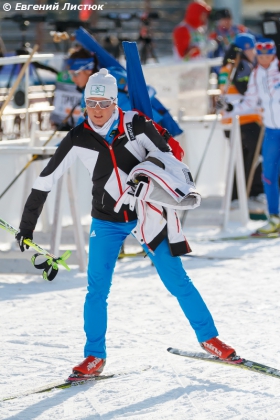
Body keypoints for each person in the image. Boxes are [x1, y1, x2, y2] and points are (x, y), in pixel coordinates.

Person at [15, 68, 236, 379]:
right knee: (96, 289)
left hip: (145, 214)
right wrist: (27, 227)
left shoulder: (136, 124)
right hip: (106, 219)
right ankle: (94, 356)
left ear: (114, 102)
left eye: (104, 103)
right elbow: (45, 181)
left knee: (177, 280)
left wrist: (147, 174)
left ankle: (210, 339)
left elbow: (171, 161)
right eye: (91, 102)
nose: (97, 110)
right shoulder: (78, 136)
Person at [225, 39, 280, 233]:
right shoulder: (257, 73)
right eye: (261, 56)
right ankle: (274, 217)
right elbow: (250, 101)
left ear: (274, 54)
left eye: (268, 56)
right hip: (272, 131)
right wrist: (230, 109)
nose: (265, 60)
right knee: (268, 176)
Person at [218, 33, 263, 201]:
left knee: (241, 159)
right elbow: (249, 93)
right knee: (260, 155)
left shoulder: (227, 65)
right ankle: (254, 192)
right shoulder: (243, 65)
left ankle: (236, 196)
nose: (256, 53)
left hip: (230, 121)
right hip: (246, 120)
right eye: (254, 49)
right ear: (246, 49)